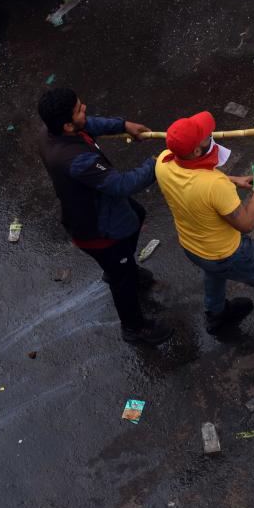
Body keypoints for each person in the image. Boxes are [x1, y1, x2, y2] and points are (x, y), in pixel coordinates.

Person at [154, 111, 254, 339]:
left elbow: (195, 176)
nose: (210, 135)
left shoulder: (163, 161)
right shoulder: (215, 186)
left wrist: (235, 179)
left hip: (192, 247)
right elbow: (247, 223)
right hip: (226, 253)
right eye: (205, 136)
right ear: (197, 151)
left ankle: (216, 314)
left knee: (213, 274)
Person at [37, 88, 173, 345]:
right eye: (79, 109)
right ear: (67, 125)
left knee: (137, 213)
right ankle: (134, 327)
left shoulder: (50, 131)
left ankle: (121, 267)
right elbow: (121, 185)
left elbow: (89, 124)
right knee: (123, 281)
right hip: (98, 228)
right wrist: (156, 163)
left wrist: (124, 125)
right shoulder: (76, 161)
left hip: (97, 206)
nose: (85, 108)